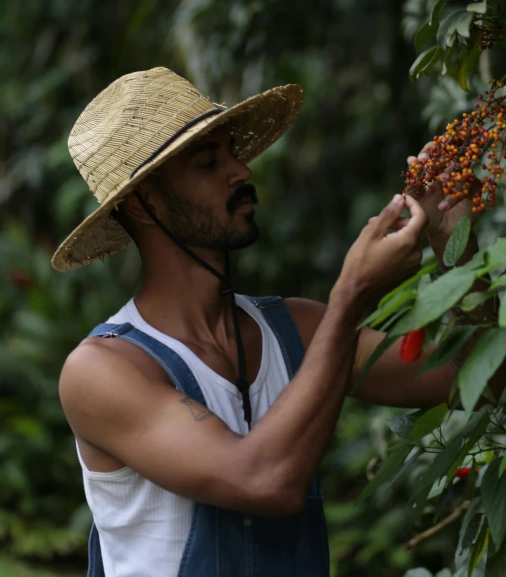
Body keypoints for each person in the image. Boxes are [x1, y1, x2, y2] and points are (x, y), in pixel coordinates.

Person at [53, 67, 476, 577]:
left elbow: (476, 377)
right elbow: (263, 482)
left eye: (233, 152)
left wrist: (455, 245)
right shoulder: (102, 370)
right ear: (144, 204)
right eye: (209, 162)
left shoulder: (295, 330)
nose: (242, 172)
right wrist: (351, 296)